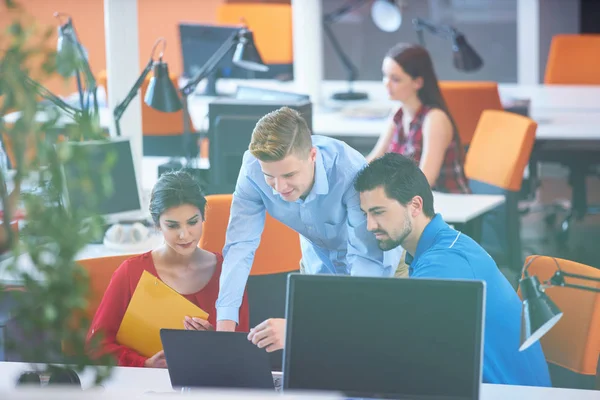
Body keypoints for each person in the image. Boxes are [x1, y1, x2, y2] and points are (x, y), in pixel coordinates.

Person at [354, 153, 551, 387]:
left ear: (415, 205)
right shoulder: (444, 244)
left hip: (502, 391)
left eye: (378, 212)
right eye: (365, 213)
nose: (369, 225)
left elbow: (403, 349)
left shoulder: (443, 264)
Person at [217, 106, 402, 339]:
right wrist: (224, 325)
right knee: (312, 362)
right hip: (317, 268)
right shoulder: (252, 171)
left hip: (377, 267)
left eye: (289, 175)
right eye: (270, 177)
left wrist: (302, 328)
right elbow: (239, 247)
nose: (280, 187)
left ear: (312, 156)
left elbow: (365, 267)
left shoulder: (351, 173)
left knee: (367, 348)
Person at [87, 170, 250, 368]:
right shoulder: (131, 272)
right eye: (172, 226)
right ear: (157, 225)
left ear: (203, 217)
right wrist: (144, 363)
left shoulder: (229, 272)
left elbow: (242, 354)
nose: (184, 235)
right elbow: (96, 347)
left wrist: (213, 343)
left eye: (192, 222)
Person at [366, 43, 470, 194]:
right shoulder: (399, 113)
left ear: (418, 82)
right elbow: (375, 159)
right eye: (385, 75)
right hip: (412, 204)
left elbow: (425, 180)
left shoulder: (434, 119)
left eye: (395, 79)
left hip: (446, 206)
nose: (386, 84)